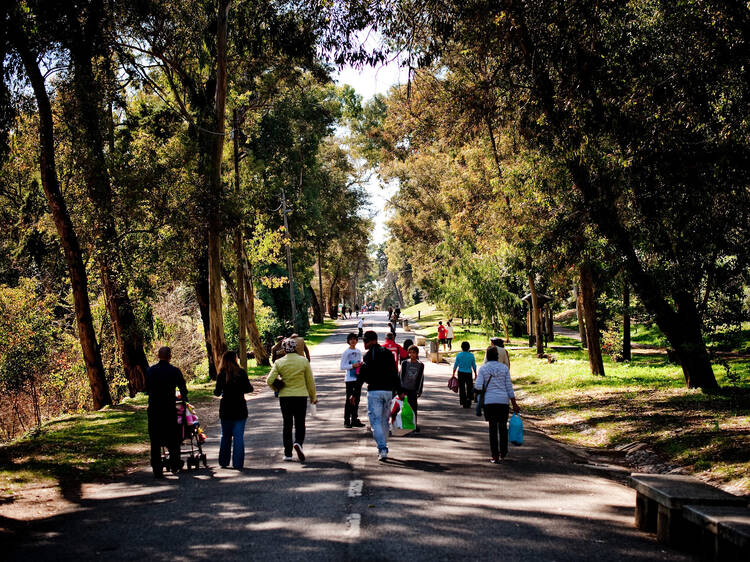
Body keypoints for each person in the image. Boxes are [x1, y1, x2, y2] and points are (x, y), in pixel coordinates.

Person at [266, 338, 318, 461]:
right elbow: (310, 382)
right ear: (295, 348)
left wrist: (276, 389)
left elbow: (269, 380)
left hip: (285, 397)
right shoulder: (304, 361)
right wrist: (313, 397)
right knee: (300, 423)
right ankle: (298, 443)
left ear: (284, 349)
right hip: (300, 396)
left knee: (287, 424)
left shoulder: (279, 363)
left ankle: (288, 453)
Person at [145, 346, 188, 478]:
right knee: (173, 437)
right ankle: (175, 463)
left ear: (158, 356)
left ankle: (156, 467)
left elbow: (147, 388)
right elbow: (182, 387)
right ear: (170, 357)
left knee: (155, 440)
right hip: (168, 408)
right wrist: (184, 398)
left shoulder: (150, 371)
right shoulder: (174, 371)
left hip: (153, 409)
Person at [358, 330, 400, 461]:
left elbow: (362, 376)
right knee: (384, 420)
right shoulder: (387, 353)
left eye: (365, 341)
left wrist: (355, 393)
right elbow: (395, 372)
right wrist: (399, 390)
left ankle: (382, 448)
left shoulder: (368, 356)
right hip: (388, 392)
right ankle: (383, 444)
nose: (364, 343)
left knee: (375, 421)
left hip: (374, 392)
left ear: (372, 341)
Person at [475, 346, 520, 463]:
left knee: (493, 429)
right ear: (497, 356)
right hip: (503, 402)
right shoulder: (504, 368)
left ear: (487, 357)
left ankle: (495, 455)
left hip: (489, 402)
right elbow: (509, 387)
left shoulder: (483, 369)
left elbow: (478, 386)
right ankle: (503, 452)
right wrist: (514, 404)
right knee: (503, 427)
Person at [214, 350, 253, 469]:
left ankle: (224, 462)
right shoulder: (241, 372)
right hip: (240, 407)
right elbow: (249, 389)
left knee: (225, 436)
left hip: (226, 408)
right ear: (236, 359)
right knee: (238, 436)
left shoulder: (221, 374)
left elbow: (217, 392)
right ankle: (237, 463)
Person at [340, 333, 365, 428]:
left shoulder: (358, 351)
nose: (353, 341)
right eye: (351, 339)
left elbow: (360, 362)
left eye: (354, 339)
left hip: (357, 378)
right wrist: (352, 366)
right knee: (349, 400)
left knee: (357, 399)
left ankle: (354, 419)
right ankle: (347, 421)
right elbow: (342, 366)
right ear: (348, 341)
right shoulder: (346, 352)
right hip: (349, 379)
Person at [400, 345, 424, 431]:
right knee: (404, 407)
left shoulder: (420, 365)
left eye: (414, 353)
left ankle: (414, 424)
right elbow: (401, 376)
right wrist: (400, 389)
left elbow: (421, 378)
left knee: (414, 407)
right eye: (410, 352)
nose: (412, 354)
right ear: (408, 353)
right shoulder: (405, 363)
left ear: (417, 354)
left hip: (414, 389)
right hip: (405, 388)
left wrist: (420, 390)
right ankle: (405, 424)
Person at [453, 341, 477, 408]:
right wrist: (475, 373)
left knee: (462, 388)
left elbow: (456, 364)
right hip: (469, 373)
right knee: (469, 387)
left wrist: (453, 373)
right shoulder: (471, 355)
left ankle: (463, 402)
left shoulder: (459, 355)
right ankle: (469, 401)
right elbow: (474, 365)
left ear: (461, 348)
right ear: (469, 348)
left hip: (461, 372)